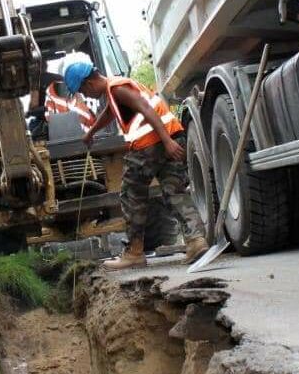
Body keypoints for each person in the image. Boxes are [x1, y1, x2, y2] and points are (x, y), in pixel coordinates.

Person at [62, 60, 208, 269]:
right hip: (172, 136)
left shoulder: (118, 89)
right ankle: (196, 241)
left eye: (82, 91)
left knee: (131, 195)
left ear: (89, 83)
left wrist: (165, 141)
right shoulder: (115, 90)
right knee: (174, 191)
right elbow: (110, 113)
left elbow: (147, 109)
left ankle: (134, 252)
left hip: (152, 144)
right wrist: (91, 132)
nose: (85, 96)